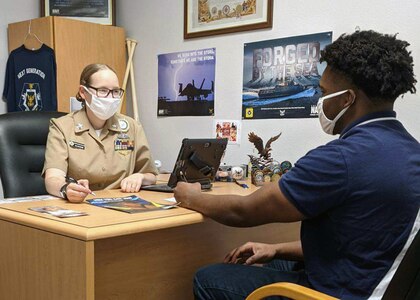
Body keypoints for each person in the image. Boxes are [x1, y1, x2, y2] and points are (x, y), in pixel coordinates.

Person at [174, 30, 419, 299]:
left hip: (336, 292)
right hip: (371, 280)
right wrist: (277, 248)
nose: (319, 99)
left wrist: (192, 197)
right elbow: (363, 242)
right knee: (273, 257)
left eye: (324, 92)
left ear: (347, 99)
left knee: (209, 278)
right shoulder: (411, 152)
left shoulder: (341, 159)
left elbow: (244, 211)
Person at [43, 63, 158, 203]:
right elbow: (52, 179)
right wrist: (66, 189)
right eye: (102, 90)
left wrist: (140, 177)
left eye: (115, 91)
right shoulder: (62, 127)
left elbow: (151, 174)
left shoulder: (131, 127)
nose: (110, 97)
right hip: (81, 204)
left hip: (123, 203)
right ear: (83, 92)